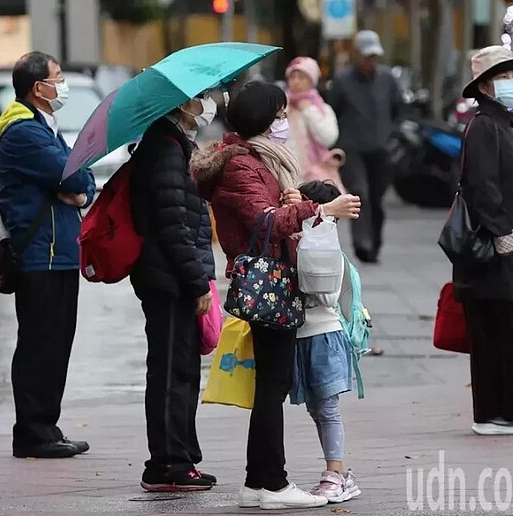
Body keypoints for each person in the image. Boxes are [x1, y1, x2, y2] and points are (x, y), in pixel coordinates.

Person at [191, 81, 360, 510]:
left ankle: (256, 481)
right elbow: (264, 223)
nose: (284, 122)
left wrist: (293, 199)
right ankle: (274, 483)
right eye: (280, 116)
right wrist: (320, 209)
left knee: (271, 382)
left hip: (277, 278)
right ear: (264, 120)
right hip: (269, 281)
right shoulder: (240, 165)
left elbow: (267, 211)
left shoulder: (255, 161)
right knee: (272, 385)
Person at [0, 52, 96, 458]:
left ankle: (47, 428)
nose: (62, 84)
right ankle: (33, 433)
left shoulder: (42, 126)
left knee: (57, 344)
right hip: (40, 255)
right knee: (39, 345)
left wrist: (78, 186)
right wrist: (75, 183)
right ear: (38, 88)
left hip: (61, 250)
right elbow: (72, 173)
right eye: (59, 77)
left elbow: (81, 176)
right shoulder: (22, 132)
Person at [129, 92, 217, 491]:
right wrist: (197, 280)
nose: (206, 104)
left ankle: (180, 457)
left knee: (181, 369)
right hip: (167, 279)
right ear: (180, 104)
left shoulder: (176, 144)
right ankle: (166, 464)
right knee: (169, 371)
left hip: (172, 275)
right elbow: (173, 225)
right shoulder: (164, 148)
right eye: (199, 98)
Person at [455, 45, 513, 436]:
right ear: (485, 86)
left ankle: (504, 410)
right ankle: (494, 413)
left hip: (504, 245)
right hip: (490, 248)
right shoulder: (484, 126)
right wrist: (502, 232)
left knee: (502, 327)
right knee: (493, 330)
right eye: (504, 77)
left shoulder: (500, 123)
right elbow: (482, 187)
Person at [289, 179, 362, 503]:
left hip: (324, 335)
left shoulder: (326, 248)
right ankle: (340, 472)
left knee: (327, 409)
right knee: (318, 410)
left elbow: (329, 295)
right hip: (302, 336)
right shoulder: (300, 241)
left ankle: (336, 473)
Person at [329, 30, 402, 264]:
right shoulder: (341, 81)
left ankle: (375, 243)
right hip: (353, 149)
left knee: (377, 198)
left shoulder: (387, 79)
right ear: (357, 54)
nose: (371, 60)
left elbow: (398, 109)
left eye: (374, 56)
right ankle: (362, 243)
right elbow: (333, 111)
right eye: (367, 55)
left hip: (381, 149)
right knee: (361, 194)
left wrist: (392, 134)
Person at [284, 57, 343, 191]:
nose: (296, 81)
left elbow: (328, 138)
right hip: (286, 174)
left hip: (314, 176)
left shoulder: (321, 108)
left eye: (302, 77)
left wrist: (309, 111)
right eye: (292, 77)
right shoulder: (281, 107)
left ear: (312, 81)